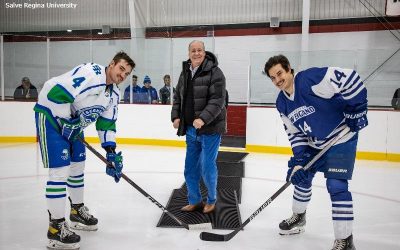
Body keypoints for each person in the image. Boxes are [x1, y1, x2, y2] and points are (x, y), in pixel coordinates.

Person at [264, 54, 368, 250]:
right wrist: (300, 159)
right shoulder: (282, 103)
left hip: (341, 138)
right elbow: (294, 133)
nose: (278, 80)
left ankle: (345, 240)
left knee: (336, 185)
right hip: (314, 144)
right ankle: (299, 217)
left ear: (289, 70)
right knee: (301, 178)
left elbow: (351, 78)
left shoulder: (309, 80)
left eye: (280, 73)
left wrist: (358, 108)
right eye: (273, 78)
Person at [33, 51, 135, 250]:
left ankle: (76, 210)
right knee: (59, 172)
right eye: (121, 69)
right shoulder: (91, 72)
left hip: (73, 125)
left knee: (78, 166)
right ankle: (55, 228)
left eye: (127, 73)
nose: (122, 75)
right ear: (112, 64)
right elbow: (56, 92)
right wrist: (64, 120)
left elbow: (106, 123)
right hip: (52, 117)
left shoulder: (114, 94)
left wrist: (111, 152)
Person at [171, 40, 227, 214]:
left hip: (210, 129)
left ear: (205, 52)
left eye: (199, 50)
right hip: (190, 129)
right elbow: (178, 96)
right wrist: (176, 116)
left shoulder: (215, 73)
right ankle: (194, 200)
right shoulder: (185, 72)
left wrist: (203, 118)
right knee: (190, 168)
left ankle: (211, 200)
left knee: (207, 166)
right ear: (189, 53)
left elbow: (218, 101)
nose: (196, 53)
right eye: (193, 50)